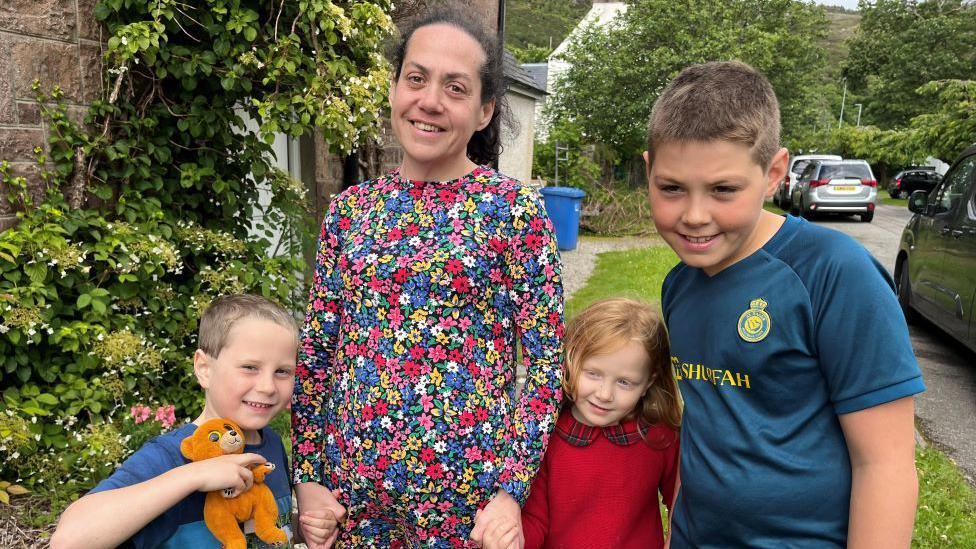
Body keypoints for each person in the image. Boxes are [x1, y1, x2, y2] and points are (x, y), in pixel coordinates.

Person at [291, 8, 564, 549]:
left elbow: (545, 363)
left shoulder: (515, 213)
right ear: (394, 88)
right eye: (416, 78)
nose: (430, 100)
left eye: (455, 88)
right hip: (352, 510)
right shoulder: (349, 212)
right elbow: (317, 353)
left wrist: (510, 491)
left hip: (468, 514)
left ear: (485, 111)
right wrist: (308, 479)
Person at [644, 61, 926, 547]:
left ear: (774, 173)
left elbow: (885, 464)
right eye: (671, 188)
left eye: (723, 190)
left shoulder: (836, 275)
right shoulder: (680, 284)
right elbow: (708, 425)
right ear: (648, 170)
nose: (693, 216)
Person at [50, 294, 310, 549]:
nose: (267, 386)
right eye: (250, 367)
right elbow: (69, 539)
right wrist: (194, 475)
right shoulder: (171, 456)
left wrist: (301, 529)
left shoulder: (271, 443)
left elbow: (261, 525)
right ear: (204, 369)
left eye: (282, 371)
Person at [514, 298, 681, 549]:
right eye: (593, 373)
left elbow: (683, 505)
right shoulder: (546, 436)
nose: (604, 394)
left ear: (648, 382)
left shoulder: (659, 437)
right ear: (571, 361)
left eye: (624, 382)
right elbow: (536, 520)